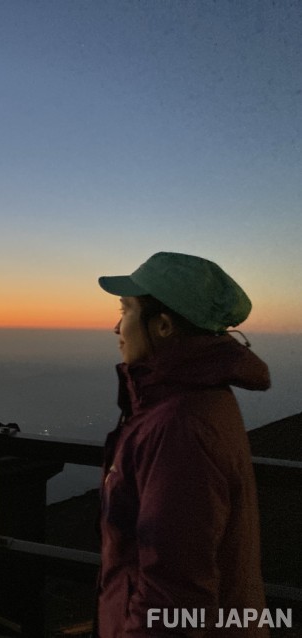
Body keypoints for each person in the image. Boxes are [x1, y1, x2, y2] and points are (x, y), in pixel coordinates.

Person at [95, 252, 270, 637]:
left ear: (162, 326)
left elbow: (173, 593)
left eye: (125, 310)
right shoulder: (195, 398)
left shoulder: (180, 426)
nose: (116, 327)